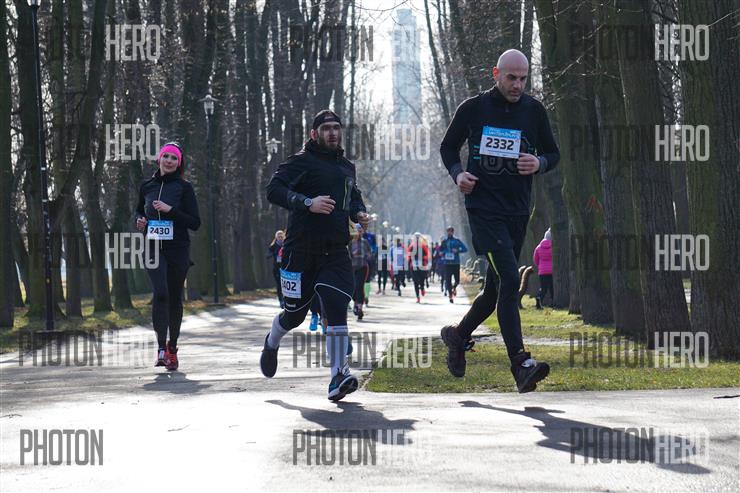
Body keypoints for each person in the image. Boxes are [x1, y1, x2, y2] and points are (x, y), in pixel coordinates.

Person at [439, 49, 559, 392]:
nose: (517, 85)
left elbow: (553, 153)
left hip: (517, 211)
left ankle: (458, 336)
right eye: (511, 78)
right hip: (484, 210)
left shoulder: (534, 111)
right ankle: (520, 363)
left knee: (494, 291)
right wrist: (458, 174)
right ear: (496, 74)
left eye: (523, 78)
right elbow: (448, 147)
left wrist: (539, 163)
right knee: (509, 279)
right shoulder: (473, 108)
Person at [261, 109, 370, 402]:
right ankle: (272, 340)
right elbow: (273, 190)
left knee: (336, 304)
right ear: (314, 134)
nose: (332, 133)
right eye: (326, 128)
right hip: (300, 251)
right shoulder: (301, 161)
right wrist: (307, 202)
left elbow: (352, 196)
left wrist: (359, 212)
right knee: (294, 315)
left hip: (335, 251)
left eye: (336, 127)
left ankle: (338, 375)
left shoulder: (346, 166)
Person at [135, 142, 200, 371]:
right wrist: (140, 221)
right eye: (166, 156)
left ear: (179, 163)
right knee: (160, 293)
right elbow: (139, 210)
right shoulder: (147, 186)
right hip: (153, 248)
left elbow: (195, 222)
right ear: (159, 159)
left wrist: (170, 210)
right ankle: (161, 349)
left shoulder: (184, 188)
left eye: (174, 158)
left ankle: (172, 347)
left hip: (177, 249)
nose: (169, 161)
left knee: (174, 297)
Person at [350, 224, 373, 320]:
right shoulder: (351, 243)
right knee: (352, 288)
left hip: (362, 267)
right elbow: (347, 255)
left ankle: (359, 307)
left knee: (359, 286)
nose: (358, 233)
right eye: (357, 231)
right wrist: (353, 254)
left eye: (360, 231)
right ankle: (356, 303)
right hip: (352, 268)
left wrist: (366, 256)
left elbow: (369, 254)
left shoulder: (365, 242)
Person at [440, 226, 468, 303]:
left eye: (451, 231)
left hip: (455, 263)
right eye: (448, 231)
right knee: (448, 280)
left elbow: (465, 249)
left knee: (457, 281)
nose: (450, 232)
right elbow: (440, 250)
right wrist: (443, 252)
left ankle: (454, 287)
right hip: (447, 264)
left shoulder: (457, 241)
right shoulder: (444, 241)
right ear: (447, 232)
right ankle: (450, 296)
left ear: (453, 232)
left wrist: (457, 250)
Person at [407, 232, 431, 303]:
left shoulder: (423, 246)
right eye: (416, 237)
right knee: (415, 281)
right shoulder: (411, 246)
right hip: (414, 266)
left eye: (418, 237)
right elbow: (408, 255)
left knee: (422, 279)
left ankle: (422, 288)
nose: (417, 239)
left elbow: (427, 255)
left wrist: (424, 259)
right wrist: (409, 262)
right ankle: (417, 297)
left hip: (422, 266)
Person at [533, 228, 553, 309]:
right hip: (552, 271)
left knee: (543, 288)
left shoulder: (538, 247)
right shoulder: (553, 247)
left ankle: (539, 299)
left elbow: (535, 259)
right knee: (552, 288)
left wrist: (540, 266)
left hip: (542, 272)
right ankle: (553, 302)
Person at [268, 230, 286, 308]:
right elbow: (268, 254)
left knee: (285, 285)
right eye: (279, 237)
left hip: (286, 269)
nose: (280, 238)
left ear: (284, 237)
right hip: (277, 269)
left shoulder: (286, 245)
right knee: (279, 285)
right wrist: (272, 254)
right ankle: (281, 301)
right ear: (276, 238)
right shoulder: (273, 246)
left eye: (281, 236)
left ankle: (286, 300)